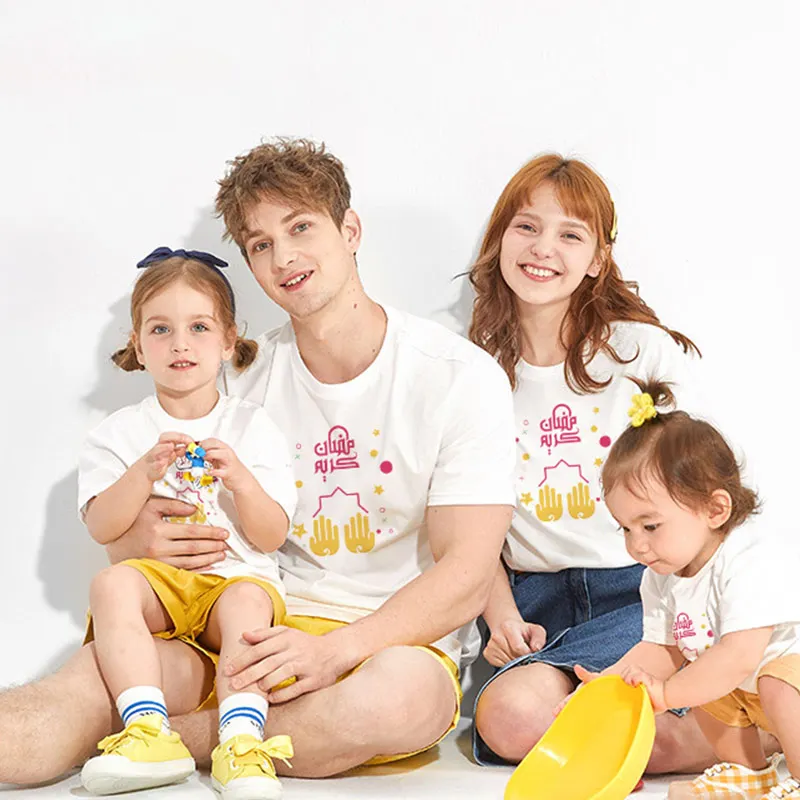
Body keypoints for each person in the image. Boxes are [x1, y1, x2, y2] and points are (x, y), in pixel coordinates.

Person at [0, 139, 516, 784]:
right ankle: (155, 731)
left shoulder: (458, 376)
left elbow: (467, 572)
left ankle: (160, 740)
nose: (284, 257)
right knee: (69, 696)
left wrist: (335, 651)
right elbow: (137, 538)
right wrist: (140, 538)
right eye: (261, 244)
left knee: (394, 700)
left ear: (350, 231)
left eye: (301, 228)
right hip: (239, 628)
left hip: (385, 644)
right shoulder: (231, 376)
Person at [467, 153, 766, 773]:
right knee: (508, 719)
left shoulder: (640, 354)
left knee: (640, 727)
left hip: (644, 593)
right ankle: (667, 730)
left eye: (570, 235)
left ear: (598, 259)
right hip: (535, 604)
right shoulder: (471, 368)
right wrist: (501, 613)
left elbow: (703, 496)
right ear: (500, 237)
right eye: (527, 227)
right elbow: (467, 513)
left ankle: (756, 734)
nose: (543, 248)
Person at [77, 248, 296, 798]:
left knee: (247, 604)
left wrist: (242, 480)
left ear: (228, 341)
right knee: (110, 583)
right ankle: (149, 732)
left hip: (234, 581)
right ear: (138, 345)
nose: (180, 344)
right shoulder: (118, 434)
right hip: (162, 588)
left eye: (199, 327)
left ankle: (241, 744)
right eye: (161, 329)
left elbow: (272, 535)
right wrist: (141, 474)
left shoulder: (253, 426)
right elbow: (101, 526)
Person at [573, 378, 800, 800]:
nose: (636, 545)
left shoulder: (750, 558)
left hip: (785, 681)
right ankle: (749, 772)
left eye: (650, 526)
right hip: (749, 688)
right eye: (625, 529)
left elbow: (738, 656)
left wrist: (667, 694)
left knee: (773, 682)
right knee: (703, 683)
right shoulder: (662, 572)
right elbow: (662, 649)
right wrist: (604, 686)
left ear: (715, 509)